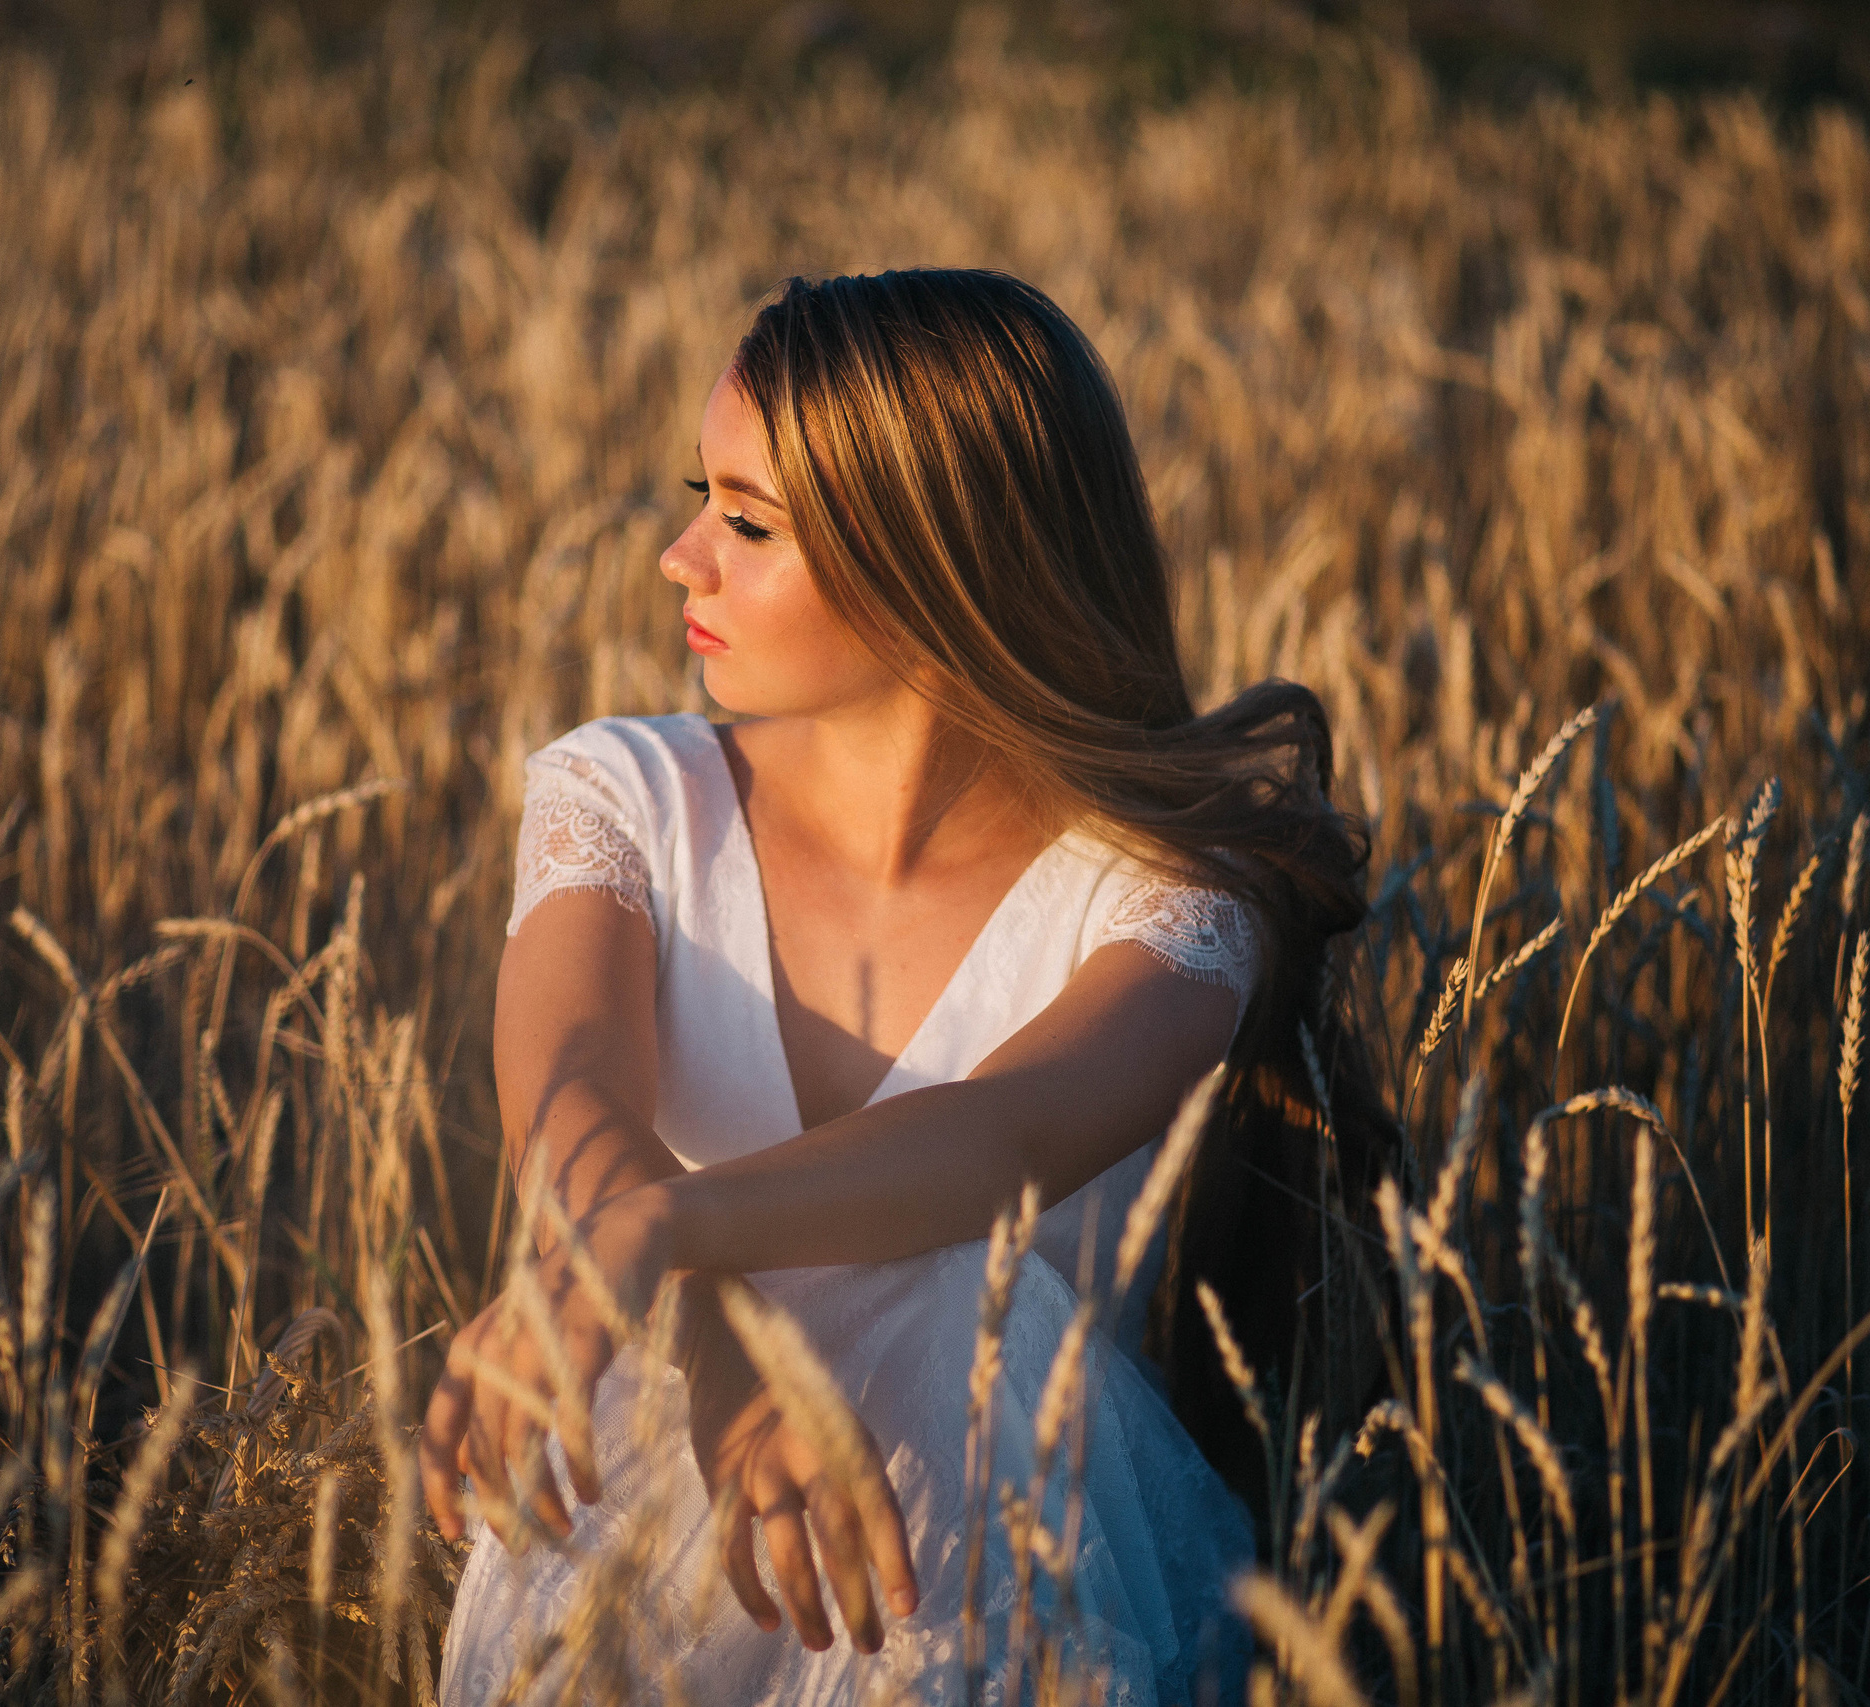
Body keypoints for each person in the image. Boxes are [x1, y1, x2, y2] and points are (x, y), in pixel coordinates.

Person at [420, 269, 1386, 1706]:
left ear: (934, 564)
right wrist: (721, 1324)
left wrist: (668, 1236)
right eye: (705, 497)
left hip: (998, 1584)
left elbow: (991, 1143)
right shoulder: (625, 798)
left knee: (948, 1310)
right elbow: (572, 1091)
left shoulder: (1169, 902)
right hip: (650, 1549)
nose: (680, 556)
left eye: (747, 523)